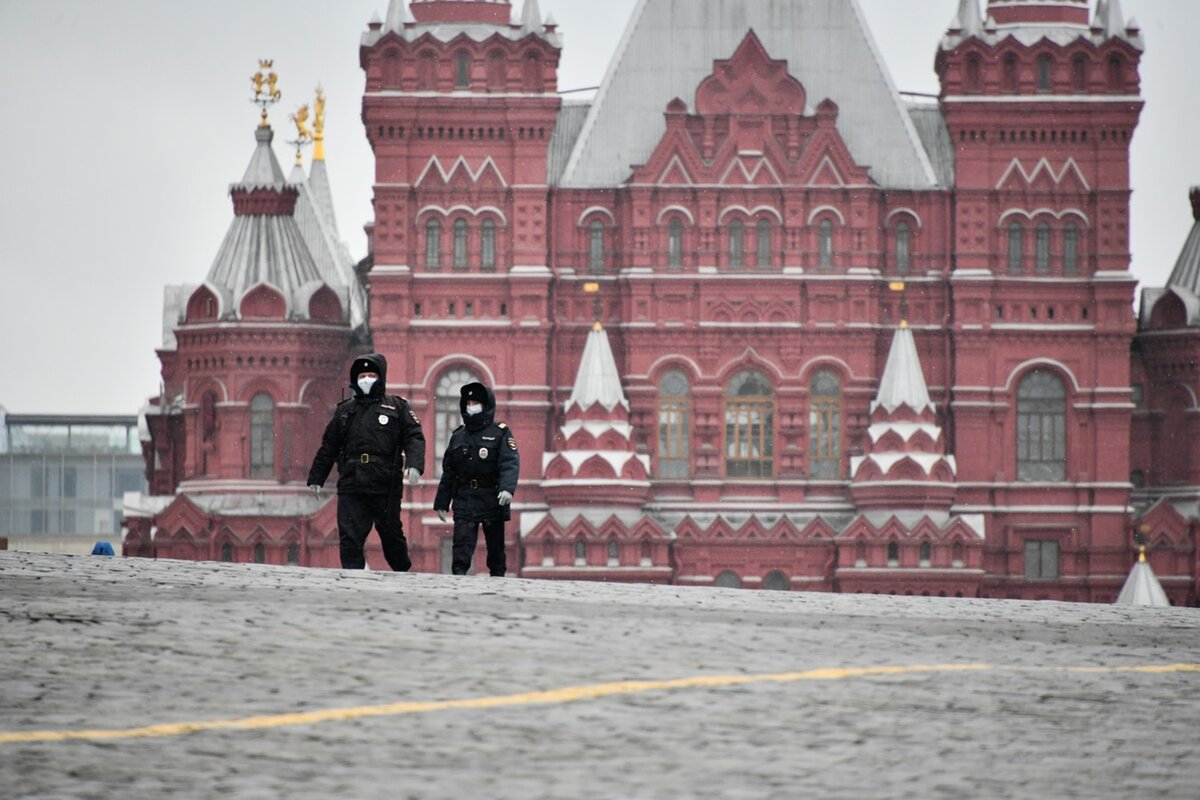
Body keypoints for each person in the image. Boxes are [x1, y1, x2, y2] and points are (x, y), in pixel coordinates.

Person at [308, 353, 425, 571]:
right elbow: (329, 446)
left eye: (372, 375)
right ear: (355, 379)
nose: (367, 380)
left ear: (381, 377)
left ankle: (403, 571)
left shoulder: (396, 407)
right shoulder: (345, 411)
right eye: (362, 375)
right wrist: (317, 477)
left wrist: (415, 464)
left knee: (391, 534)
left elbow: (414, 436)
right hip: (352, 481)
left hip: (385, 481)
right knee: (349, 535)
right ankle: (353, 576)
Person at [434, 382, 519, 576]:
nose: (472, 406)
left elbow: (509, 462)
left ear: (486, 405)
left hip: (492, 497)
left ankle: (498, 584)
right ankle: (458, 582)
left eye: (476, 403)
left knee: (496, 551)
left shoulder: (500, 432)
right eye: (469, 402)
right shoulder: (458, 436)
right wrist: (442, 502)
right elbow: (449, 473)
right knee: (461, 547)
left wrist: (507, 488)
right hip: (465, 498)